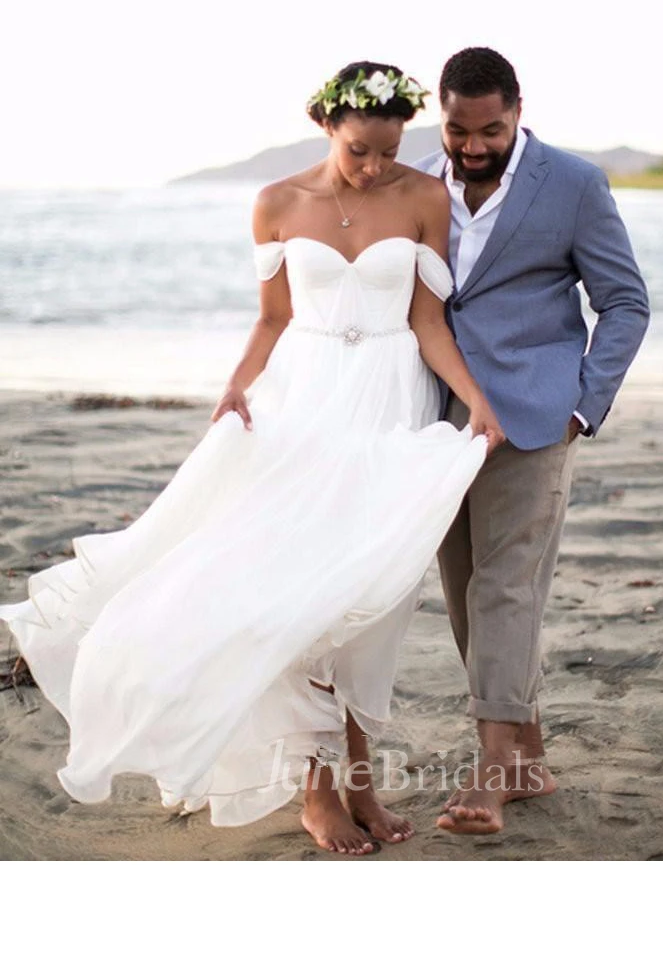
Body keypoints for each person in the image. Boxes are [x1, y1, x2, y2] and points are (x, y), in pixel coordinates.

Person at [0, 60, 504, 856]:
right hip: (299, 403)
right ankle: (317, 791)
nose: (375, 166)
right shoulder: (275, 203)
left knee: (364, 598)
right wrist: (236, 389)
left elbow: (428, 321)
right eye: (360, 150)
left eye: (388, 148)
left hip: (386, 397)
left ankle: (363, 780)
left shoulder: (422, 197)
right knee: (285, 590)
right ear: (327, 125)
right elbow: (272, 319)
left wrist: (474, 398)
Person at [412, 47, 650, 835]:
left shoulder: (574, 184)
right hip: (435, 423)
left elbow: (625, 302)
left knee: (505, 590)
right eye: (457, 129)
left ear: (518, 109)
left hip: (535, 420)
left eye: (490, 129)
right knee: (464, 597)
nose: (473, 146)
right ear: (439, 116)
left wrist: (583, 405)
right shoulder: (414, 183)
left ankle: (490, 773)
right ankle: (526, 754)